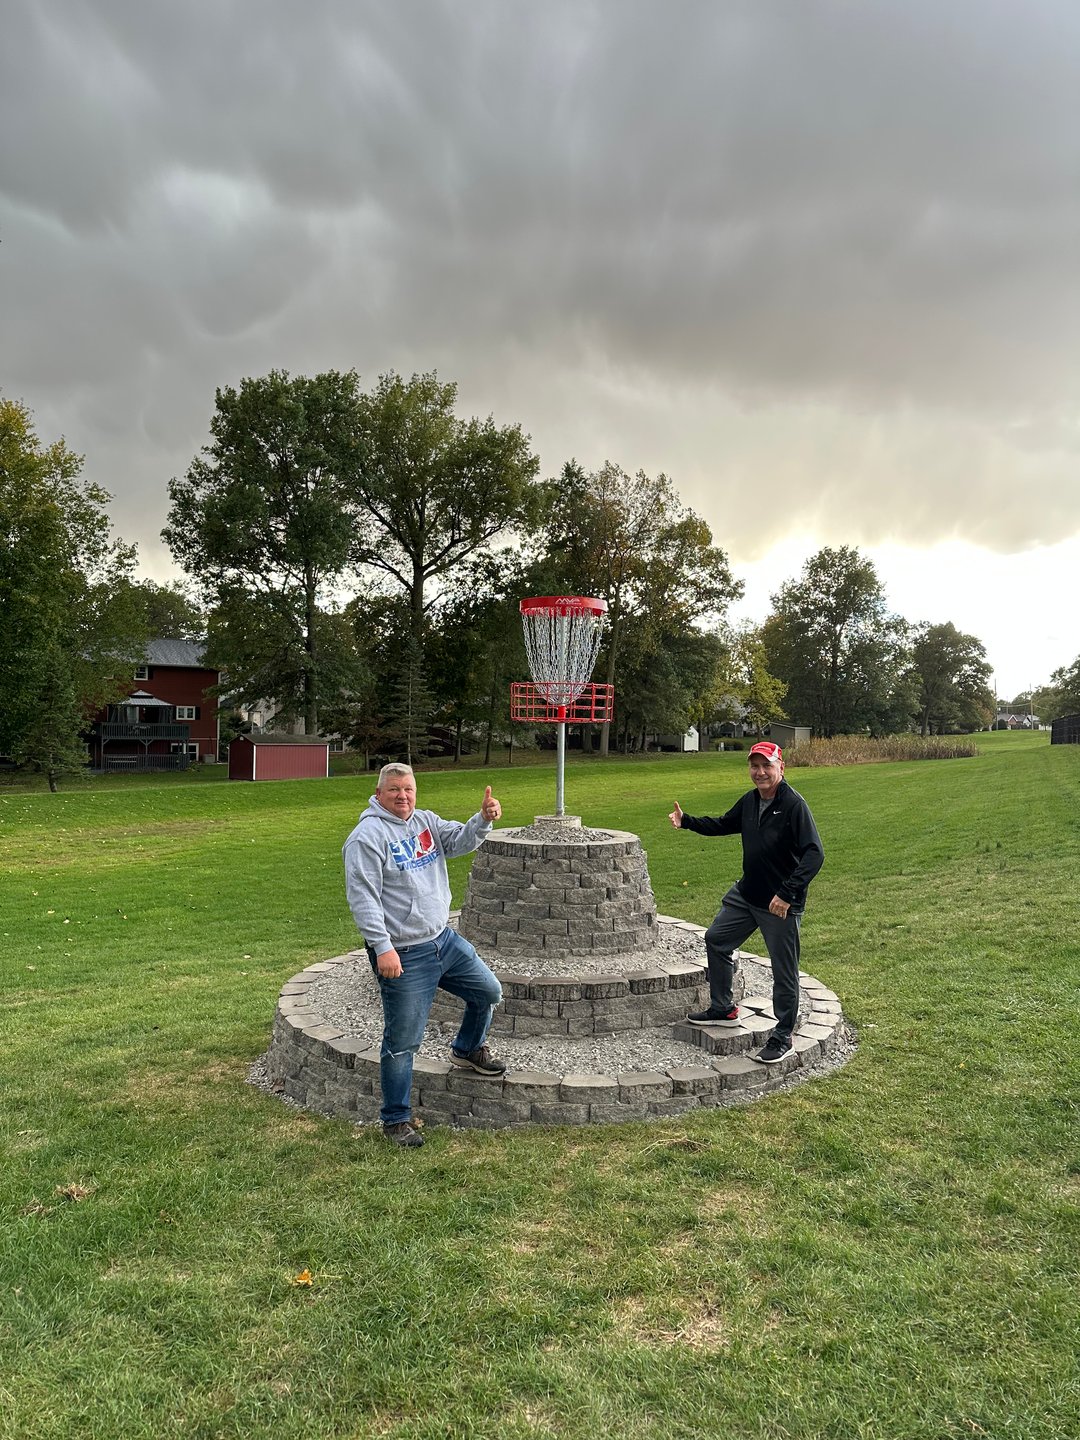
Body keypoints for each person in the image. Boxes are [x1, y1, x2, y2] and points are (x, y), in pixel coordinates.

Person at [343, 763, 505, 1147]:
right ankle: (396, 1120)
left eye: (409, 789)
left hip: (443, 941)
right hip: (403, 953)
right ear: (379, 793)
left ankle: (467, 1048)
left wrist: (482, 819)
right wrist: (383, 948)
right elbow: (362, 897)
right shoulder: (366, 837)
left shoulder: (426, 822)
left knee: (488, 991)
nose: (403, 796)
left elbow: (461, 841)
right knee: (403, 1041)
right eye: (395, 790)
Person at [668, 740, 824, 1065]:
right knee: (717, 939)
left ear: (781, 767)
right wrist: (688, 821)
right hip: (747, 894)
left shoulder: (794, 805)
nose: (760, 772)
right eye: (755, 765)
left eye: (767, 765)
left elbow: (814, 854)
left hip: (779, 903)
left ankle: (783, 1038)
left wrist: (787, 894)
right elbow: (725, 823)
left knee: (784, 970)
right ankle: (724, 1009)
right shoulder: (751, 801)